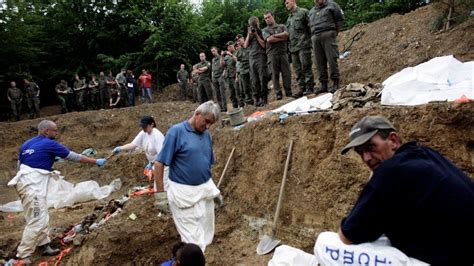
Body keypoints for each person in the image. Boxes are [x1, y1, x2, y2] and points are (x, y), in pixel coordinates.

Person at [314, 115, 474, 265]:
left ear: (393, 140)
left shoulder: (391, 172)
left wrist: (375, 180)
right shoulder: (425, 154)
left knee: (325, 243)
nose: (366, 158)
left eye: (370, 147)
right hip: (463, 253)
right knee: (381, 237)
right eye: (360, 152)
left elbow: (347, 236)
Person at [8, 120, 106, 263]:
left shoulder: (27, 144)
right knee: (37, 220)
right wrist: (95, 161)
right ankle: (23, 255)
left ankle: (44, 245)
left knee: (40, 215)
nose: (57, 133)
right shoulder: (50, 144)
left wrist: (46, 166)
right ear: (46, 131)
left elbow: (21, 165)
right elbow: (74, 157)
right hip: (32, 187)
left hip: (24, 183)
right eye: (55, 130)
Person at [153, 101, 223, 252]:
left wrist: (212, 190)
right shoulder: (176, 132)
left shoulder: (206, 136)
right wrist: (160, 195)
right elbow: (159, 164)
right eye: (207, 122)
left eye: (211, 124)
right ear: (197, 114)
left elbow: (204, 166)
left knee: (205, 234)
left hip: (203, 194)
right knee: (193, 242)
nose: (208, 126)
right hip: (183, 195)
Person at [112, 116, 168, 188]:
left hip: (163, 165)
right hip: (155, 164)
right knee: (158, 187)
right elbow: (133, 145)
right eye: (142, 127)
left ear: (152, 124)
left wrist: (153, 164)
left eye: (145, 127)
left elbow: (162, 154)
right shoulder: (143, 133)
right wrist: (120, 148)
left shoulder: (157, 136)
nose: (143, 129)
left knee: (162, 187)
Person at [309, 0, 344, 93]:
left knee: (331, 58)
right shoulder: (311, 11)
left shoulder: (332, 5)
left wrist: (334, 32)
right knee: (319, 61)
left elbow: (339, 20)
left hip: (328, 34)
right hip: (315, 37)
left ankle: (336, 82)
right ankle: (323, 84)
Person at [285, 0, 315, 96]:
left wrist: (310, 41)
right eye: (285, 4)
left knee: (306, 66)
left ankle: (310, 87)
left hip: (304, 45)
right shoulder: (289, 18)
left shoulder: (303, 12)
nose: (286, 5)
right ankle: (302, 88)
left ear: (293, 1)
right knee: (297, 70)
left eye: (287, 2)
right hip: (293, 48)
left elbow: (311, 27)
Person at [262, 11, 294, 100]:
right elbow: (269, 40)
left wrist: (275, 35)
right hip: (272, 55)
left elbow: (286, 35)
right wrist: (281, 37)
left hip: (283, 53)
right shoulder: (264, 30)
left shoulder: (282, 26)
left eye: (268, 17)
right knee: (274, 75)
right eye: (265, 18)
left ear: (273, 16)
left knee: (286, 73)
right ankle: (278, 93)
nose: (267, 19)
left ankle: (288, 91)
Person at [244, 16, 269, 107]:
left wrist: (256, 35)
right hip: (252, 58)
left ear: (257, 24)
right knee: (254, 80)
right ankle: (257, 98)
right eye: (251, 25)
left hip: (260, 56)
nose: (253, 27)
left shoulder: (262, 31)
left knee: (263, 78)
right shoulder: (249, 34)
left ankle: (264, 98)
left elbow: (264, 45)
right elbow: (245, 45)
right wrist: (248, 34)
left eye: (254, 24)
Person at [235, 34, 254, 105]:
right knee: (246, 87)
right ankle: (249, 101)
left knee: (253, 84)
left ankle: (257, 98)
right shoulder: (239, 50)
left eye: (239, 40)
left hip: (250, 68)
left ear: (243, 39)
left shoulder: (249, 45)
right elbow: (238, 58)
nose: (238, 42)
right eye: (237, 41)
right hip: (243, 70)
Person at [221, 41, 239, 109]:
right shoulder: (226, 57)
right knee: (231, 93)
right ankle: (235, 107)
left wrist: (231, 55)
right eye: (228, 47)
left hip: (235, 75)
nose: (229, 48)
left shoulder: (236, 52)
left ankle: (242, 105)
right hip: (228, 77)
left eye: (230, 46)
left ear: (233, 46)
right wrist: (222, 56)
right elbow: (222, 65)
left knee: (238, 91)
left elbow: (237, 60)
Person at [210, 47, 227, 112]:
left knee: (222, 92)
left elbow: (224, 66)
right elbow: (212, 69)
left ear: (216, 50)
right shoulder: (213, 59)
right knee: (217, 93)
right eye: (212, 51)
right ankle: (220, 107)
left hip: (220, 76)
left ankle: (225, 107)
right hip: (214, 77)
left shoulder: (221, 57)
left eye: (214, 51)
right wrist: (212, 76)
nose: (213, 52)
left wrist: (223, 74)